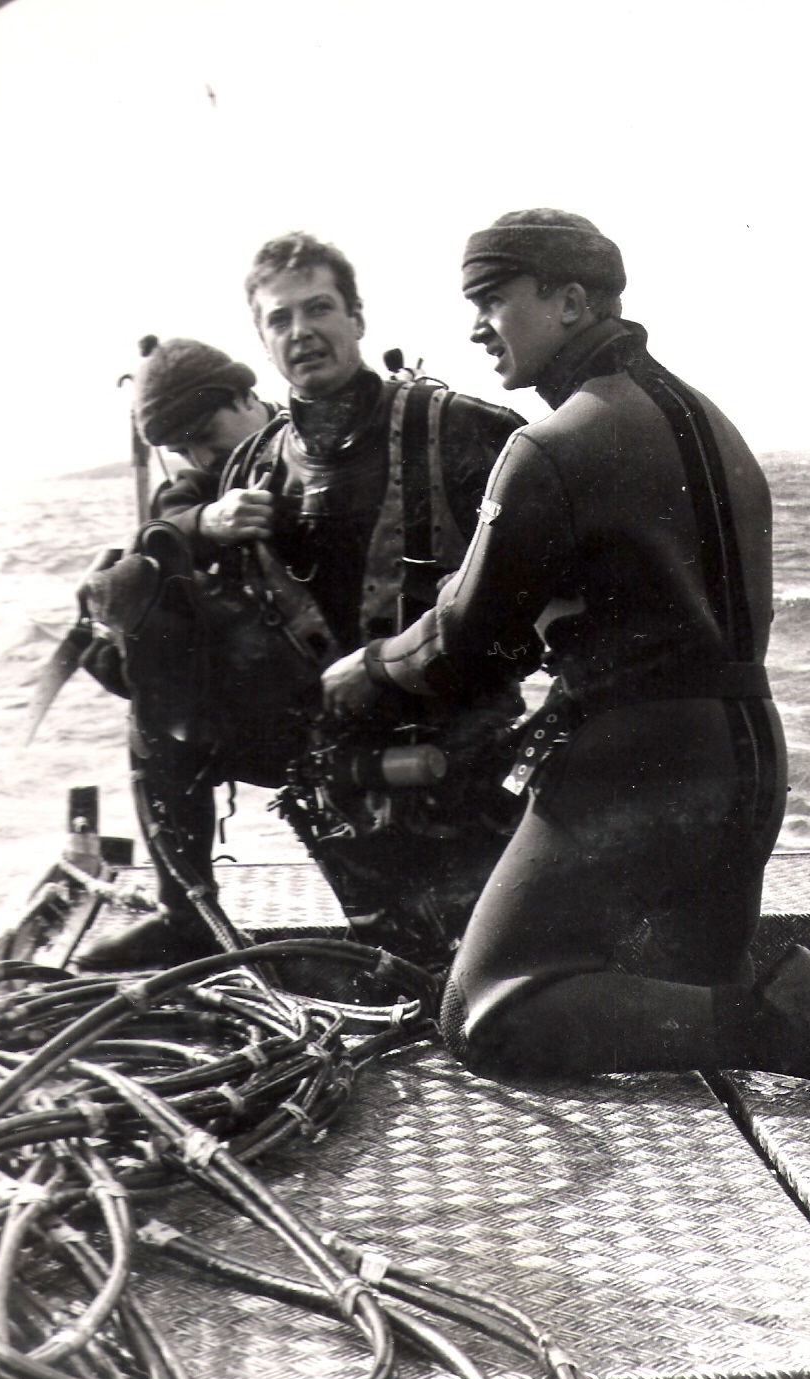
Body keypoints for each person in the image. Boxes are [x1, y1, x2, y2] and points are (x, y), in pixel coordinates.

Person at [323, 208, 810, 1100]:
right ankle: (767, 1006)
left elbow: (464, 647)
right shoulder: (715, 425)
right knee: (668, 994)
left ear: (570, 302)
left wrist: (366, 671)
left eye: (492, 298)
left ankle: (778, 1020)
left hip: (639, 770)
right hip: (750, 763)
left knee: (486, 1014)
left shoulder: (551, 446)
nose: (475, 325)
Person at [78, 233, 524, 971]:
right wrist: (179, 549)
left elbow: (555, 601)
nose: (301, 331)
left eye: (319, 308)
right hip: (328, 761)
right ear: (262, 339)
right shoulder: (251, 466)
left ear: (356, 316)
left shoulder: (464, 434)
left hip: (452, 752)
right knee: (154, 662)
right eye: (279, 319)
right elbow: (163, 535)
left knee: (466, 987)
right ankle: (185, 911)